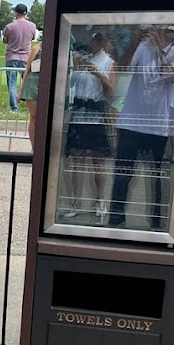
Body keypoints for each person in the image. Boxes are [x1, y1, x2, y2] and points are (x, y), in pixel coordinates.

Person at [109, 26, 174, 230]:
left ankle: (158, 223)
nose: (165, 34)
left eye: (170, 32)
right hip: (131, 122)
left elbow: (171, 76)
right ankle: (115, 219)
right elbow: (122, 68)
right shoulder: (141, 47)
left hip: (158, 126)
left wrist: (159, 49)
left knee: (157, 178)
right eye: (163, 30)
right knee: (122, 174)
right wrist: (135, 41)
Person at [62, 32, 116, 219]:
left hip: (95, 113)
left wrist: (97, 73)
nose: (94, 43)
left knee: (97, 160)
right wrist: (76, 69)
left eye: (99, 40)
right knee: (76, 159)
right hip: (79, 111)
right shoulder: (84, 60)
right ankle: (75, 202)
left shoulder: (109, 63)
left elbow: (111, 93)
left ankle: (100, 201)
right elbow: (70, 84)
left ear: (104, 42)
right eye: (93, 40)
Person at [2, 3, 37, 111]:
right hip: (26, 57)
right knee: (27, 82)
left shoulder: (10, 26)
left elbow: (5, 39)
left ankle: (14, 108)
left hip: (12, 56)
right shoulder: (32, 26)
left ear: (16, 12)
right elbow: (32, 38)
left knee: (12, 83)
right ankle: (29, 105)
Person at [19, 42, 41, 148]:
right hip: (33, 84)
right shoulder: (37, 49)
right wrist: (21, 90)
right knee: (34, 117)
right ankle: (34, 147)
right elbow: (28, 69)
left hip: (47, 84)